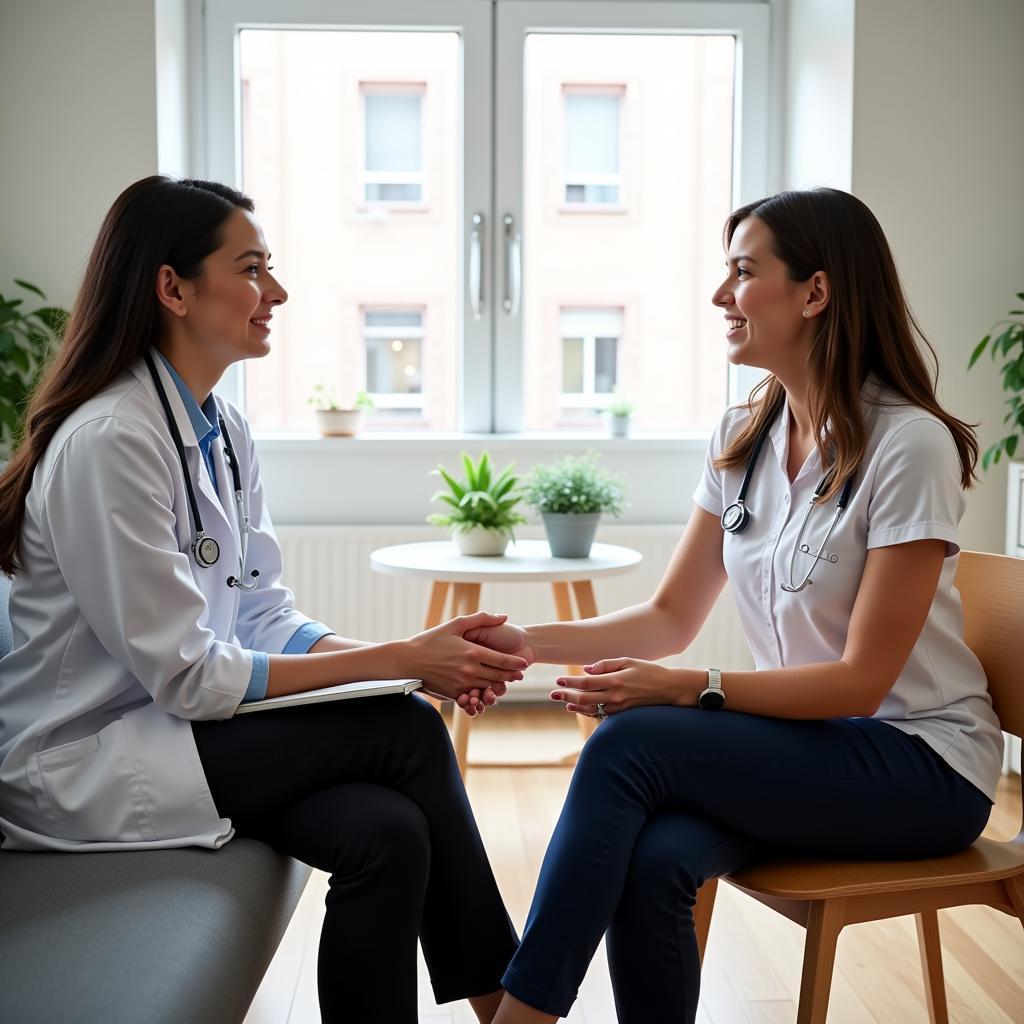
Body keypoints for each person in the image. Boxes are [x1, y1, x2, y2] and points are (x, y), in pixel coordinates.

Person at [459, 189, 1004, 1024]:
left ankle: (519, 1017)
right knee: (654, 860)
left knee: (632, 737)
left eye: (744, 273)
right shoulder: (746, 436)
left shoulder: (909, 444)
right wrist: (520, 644)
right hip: (811, 751)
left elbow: (860, 685)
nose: (721, 297)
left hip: (919, 765)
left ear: (815, 293)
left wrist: (683, 687)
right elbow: (669, 615)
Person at [0, 175, 521, 1024]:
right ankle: (511, 1013)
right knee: (409, 728)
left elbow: (262, 614)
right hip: (83, 762)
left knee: (387, 834)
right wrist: (403, 666)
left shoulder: (221, 430)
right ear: (172, 287)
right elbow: (189, 677)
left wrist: (419, 660)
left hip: (181, 735)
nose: (274, 292)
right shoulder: (109, 441)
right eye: (252, 269)